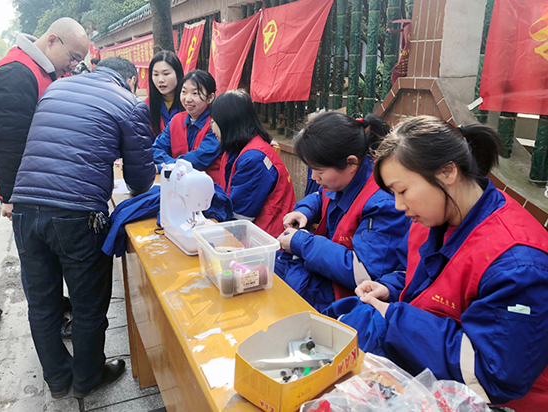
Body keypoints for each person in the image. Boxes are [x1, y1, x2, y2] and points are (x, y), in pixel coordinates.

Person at [329, 116, 548, 410]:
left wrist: (395, 319)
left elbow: (493, 376)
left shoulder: (518, 264)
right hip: (433, 378)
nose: (399, 206)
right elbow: (427, 278)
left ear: (447, 172)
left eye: (402, 191)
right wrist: (390, 288)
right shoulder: (435, 217)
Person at [9, 56, 155, 399]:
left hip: (24, 208)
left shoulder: (56, 88)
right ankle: (88, 378)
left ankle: (58, 380)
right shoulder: (129, 102)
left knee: (42, 303)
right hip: (76, 214)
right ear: (131, 81)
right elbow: (140, 178)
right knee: (88, 302)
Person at [275, 112, 410, 312]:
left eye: (319, 171)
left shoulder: (383, 204)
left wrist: (302, 243)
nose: (314, 177)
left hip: (345, 299)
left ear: (351, 163)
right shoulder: (343, 180)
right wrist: (305, 211)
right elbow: (321, 196)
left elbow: (364, 274)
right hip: (324, 276)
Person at [0, 17, 89, 221]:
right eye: (73, 58)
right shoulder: (17, 73)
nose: (73, 66)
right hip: (29, 194)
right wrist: (9, 196)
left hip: (48, 186)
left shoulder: (47, 71)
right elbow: (9, 142)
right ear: (52, 41)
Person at [210, 90, 295, 237]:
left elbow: (239, 218)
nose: (212, 128)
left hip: (265, 239)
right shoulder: (239, 148)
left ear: (229, 122)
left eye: (214, 121)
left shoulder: (254, 160)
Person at [152, 69, 222, 185]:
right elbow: (156, 149)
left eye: (195, 93)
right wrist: (171, 164)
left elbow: (198, 159)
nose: (187, 99)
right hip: (178, 185)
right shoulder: (176, 120)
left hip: (208, 188)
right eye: (184, 92)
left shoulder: (216, 124)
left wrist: (163, 167)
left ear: (210, 98)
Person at [147, 50, 183, 139]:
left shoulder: (189, 102)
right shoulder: (147, 105)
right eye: (156, 74)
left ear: (178, 74)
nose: (160, 80)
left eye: (166, 74)